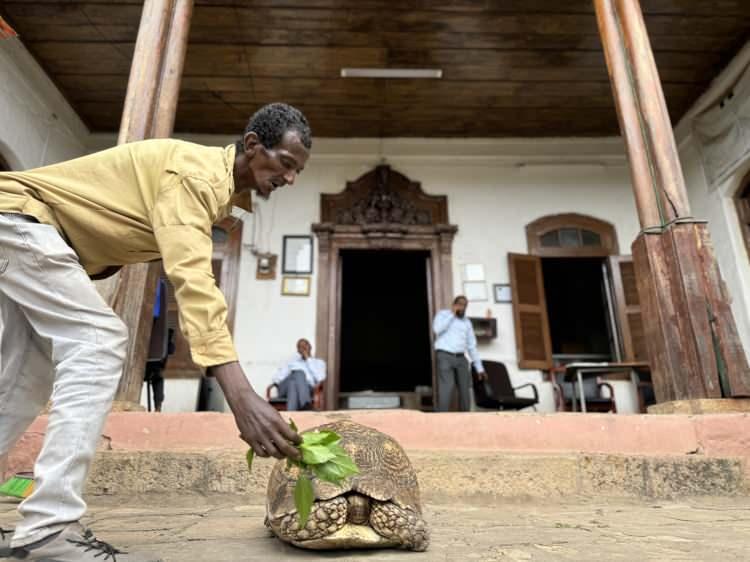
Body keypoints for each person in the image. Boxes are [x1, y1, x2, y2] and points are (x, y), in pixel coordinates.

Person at [0, 103, 309, 561]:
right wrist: (241, 396)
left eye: (298, 171)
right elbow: (194, 282)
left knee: (27, 375)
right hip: (24, 222)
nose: (290, 179)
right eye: (285, 164)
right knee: (99, 340)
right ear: (251, 145)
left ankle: (41, 531)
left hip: (25, 230)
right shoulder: (195, 176)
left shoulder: (213, 193)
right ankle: (50, 529)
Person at [433, 295, 487, 412]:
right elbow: (437, 329)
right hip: (445, 356)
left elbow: (472, 346)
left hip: (461, 358)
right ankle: (441, 419)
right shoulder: (443, 315)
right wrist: (452, 314)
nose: (462, 307)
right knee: (447, 387)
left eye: (465, 305)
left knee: (465, 389)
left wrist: (479, 368)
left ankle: (465, 418)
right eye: (460, 304)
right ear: (454, 304)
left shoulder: (467, 323)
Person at [272, 339, 326, 410]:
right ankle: (306, 404)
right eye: (301, 346)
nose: (303, 348)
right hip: (285, 388)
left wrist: (308, 360)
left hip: (308, 388)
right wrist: (293, 375)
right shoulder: (292, 362)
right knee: (298, 374)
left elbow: (320, 378)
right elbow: (278, 379)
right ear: (298, 350)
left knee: (293, 384)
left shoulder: (319, 363)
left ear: (310, 347)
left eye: (305, 345)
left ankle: (291, 415)